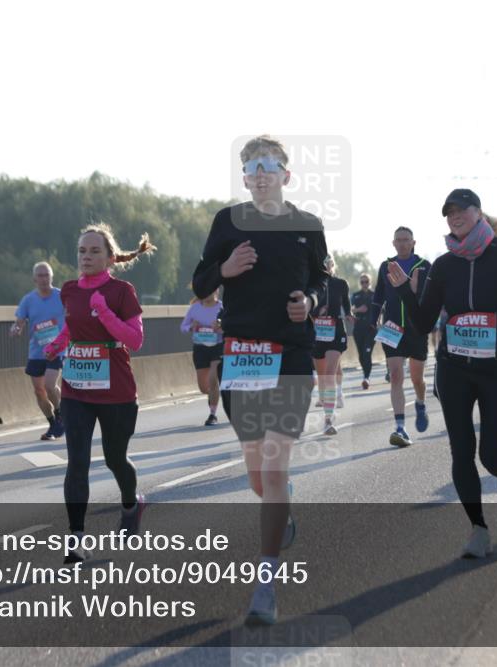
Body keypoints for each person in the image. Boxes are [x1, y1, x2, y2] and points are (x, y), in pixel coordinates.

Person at [192, 135, 329, 625]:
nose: (262, 172)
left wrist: (309, 303)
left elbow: (323, 283)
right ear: (245, 177)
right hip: (242, 357)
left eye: (270, 165)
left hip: (291, 356)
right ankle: (281, 515)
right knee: (258, 477)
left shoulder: (307, 226)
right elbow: (200, 282)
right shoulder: (227, 222)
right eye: (252, 166)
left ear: (286, 176)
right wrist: (225, 268)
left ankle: (266, 583)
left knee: (274, 470)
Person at [389, 189, 497, 558]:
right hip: (454, 369)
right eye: (449, 213)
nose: (454, 216)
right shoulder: (444, 265)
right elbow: (425, 321)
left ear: (479, 213)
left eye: (461, 210)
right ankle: (478, 530)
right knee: (461, 452)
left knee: (491, 456)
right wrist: (405, 293)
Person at [43, 224, 154, 564]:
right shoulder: (70, 291)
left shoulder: (122, 291)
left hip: (116, 390)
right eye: (81, 251)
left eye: (94, 251)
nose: (86, 257)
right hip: (77, 388)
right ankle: (76, 539)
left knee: (114, 458)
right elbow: (71, 327)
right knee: (77, 462)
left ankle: (131, 504)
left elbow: (135, 340)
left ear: (109, 258)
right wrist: (58, 345)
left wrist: (104, 311)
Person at [370, 227, 431, 447]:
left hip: (416, 328)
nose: (403, 243)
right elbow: (378, 296)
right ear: (393, 243)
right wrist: (372, 318)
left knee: (417, 380)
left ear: (413, 242)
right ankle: (400, 427)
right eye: (399, 240)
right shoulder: (386, 266)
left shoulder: (424, 266)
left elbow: (430, 296)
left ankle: (421, 403)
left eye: (406, 240)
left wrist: (415, 291)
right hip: (392, 328)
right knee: (395, 375)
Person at [11, 261, 65, 440]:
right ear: (34, 279)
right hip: (37, 351)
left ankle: (60, 415)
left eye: (47, 275)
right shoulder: (28, 300)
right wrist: (16, 330)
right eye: (40, 276)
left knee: (50, 385)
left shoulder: (61, 296)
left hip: (57, 349)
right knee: (39, 391)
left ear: (52, 277)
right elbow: (19, 323)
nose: (44, 279)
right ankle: (52, 424)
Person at [312, 255, 351, 435]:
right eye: (322, 264)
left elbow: (347, 307)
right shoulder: (311, 285)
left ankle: (328, 419)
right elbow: (305, 308)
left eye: (328, 263)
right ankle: (328, 409)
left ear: (332, 265)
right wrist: (316, 312)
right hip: (317, 333)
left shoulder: (340, 284)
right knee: (321, 376)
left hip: (335, 332)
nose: (325, 266)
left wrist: (351, 317)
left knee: (329, 373)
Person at [180, 289, 224, 426]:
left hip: (217, 346)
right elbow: (183, 327)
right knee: (204, 388)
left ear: (216, 291)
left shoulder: (222, 307)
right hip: (200, 349)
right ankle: (214, 395)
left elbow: (231, 325)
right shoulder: (195, 308)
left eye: (210, 290)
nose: (206, 293)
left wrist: (221, 326)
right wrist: (191, 327)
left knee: (213, 379)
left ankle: (212, 414)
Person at [350, 273, 376, 390]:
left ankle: (366, 377)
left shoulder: (375, 295)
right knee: (361, 355)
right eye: (362, 282)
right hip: (358, 327)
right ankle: (365, 375)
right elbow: (349, 310)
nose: (364, 284)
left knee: (367, 352)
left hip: (371, 328)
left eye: (366, 282)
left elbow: (381, 309)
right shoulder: (356, 295)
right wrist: (358, 309)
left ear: (370, 282)